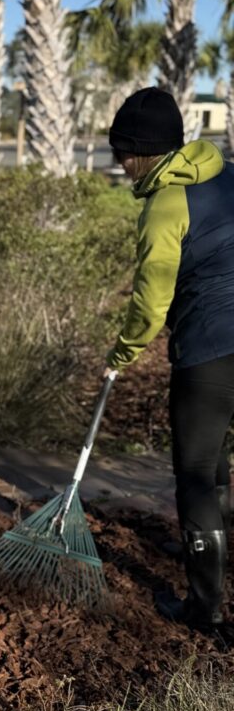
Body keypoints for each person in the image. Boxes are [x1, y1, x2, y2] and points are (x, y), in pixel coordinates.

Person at [106, 86, 234, 632]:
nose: (120, 167)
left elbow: (152, 300)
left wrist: (124, 351)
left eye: (121, 155)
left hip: (209, 351)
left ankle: (205, 607)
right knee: (218, 465)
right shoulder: (227, 173)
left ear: (139, 151)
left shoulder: (164, 205)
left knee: (197, 474)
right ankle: (217, 543)